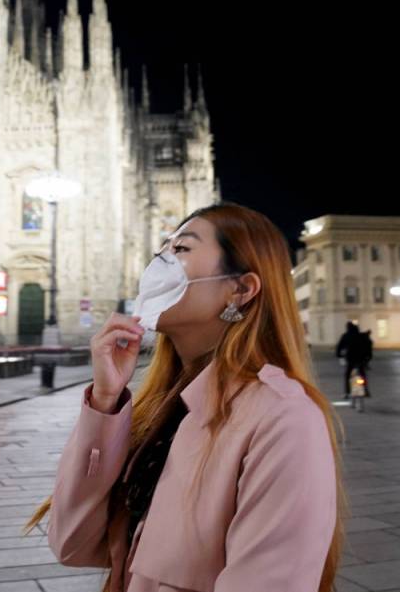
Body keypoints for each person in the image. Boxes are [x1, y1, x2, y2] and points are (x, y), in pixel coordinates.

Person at [26, 203, 343, 592]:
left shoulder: (284, 417)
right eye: (162, 248)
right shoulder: (165, 406)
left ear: (240, 289)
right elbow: (72, 544)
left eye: (181, 250)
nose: (159, 261)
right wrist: (106, 402)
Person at [336, 321, 371, 398]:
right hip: (360, 358)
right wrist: (368, 357)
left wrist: (338, 355)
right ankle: (366, 390)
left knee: (347, 375)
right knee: (362, 374)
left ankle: (347, 393)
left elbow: (339, 347)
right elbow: (367, 345)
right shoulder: (361, 335)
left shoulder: (345, 336)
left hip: (350, 359)